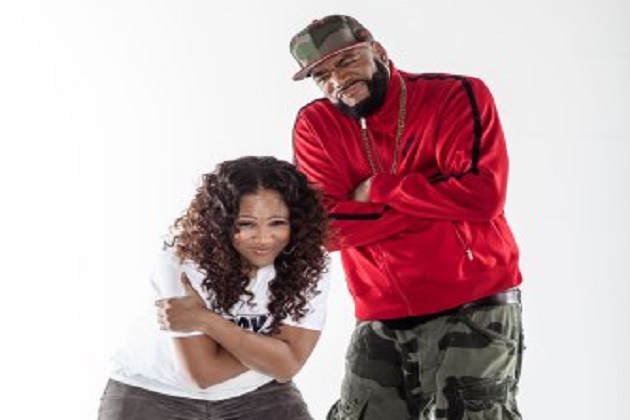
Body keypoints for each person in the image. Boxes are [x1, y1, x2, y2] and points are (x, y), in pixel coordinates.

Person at [289, 15, 524, 419]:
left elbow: (483, 196)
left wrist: (379, 189)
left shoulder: (453, 95)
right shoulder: (316, 125)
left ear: (378, 51)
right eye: (322, 76)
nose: (338, 81)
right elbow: (324, 230)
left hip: (475, 304)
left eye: (347, 61)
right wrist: (437, 201)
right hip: (382, 312)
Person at [98, 156, 330, 420]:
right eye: (246, 224)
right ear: (221, 222)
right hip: (153, 393)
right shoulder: (183, 260)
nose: (264, 238)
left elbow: (287, 366)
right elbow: (203, 373)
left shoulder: (309, 262)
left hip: (259, 393)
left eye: (277, 223)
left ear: (296, 222)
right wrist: (271, 350)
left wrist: (207, 321)